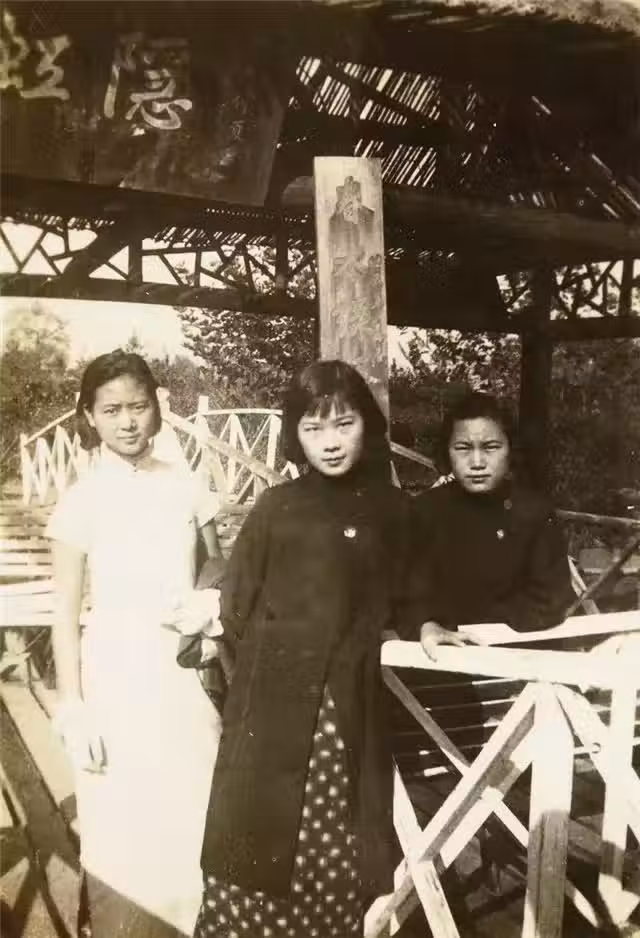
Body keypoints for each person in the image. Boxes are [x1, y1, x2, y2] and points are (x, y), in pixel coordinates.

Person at [194, 360, 423, 938]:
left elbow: (414, 594)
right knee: (258, 833)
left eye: (344, 424)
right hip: (270, 703)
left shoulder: (395, 510)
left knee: (335, 834)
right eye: (314, 428)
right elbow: (235, 602)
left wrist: (425, 625)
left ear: (367, 425)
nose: (331, 442)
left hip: (346, 704)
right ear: (295, 434)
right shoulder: (277, 507)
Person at [46, 350, 223, 938]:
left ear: (157, 409)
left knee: (191, 811)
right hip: (115, 676)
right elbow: (65, 612)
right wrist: (72, 705)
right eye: (112, 410)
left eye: (139, 407)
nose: (127, 421)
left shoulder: (188, 486)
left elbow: (217, 571)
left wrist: (209, 611)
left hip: (183, 672)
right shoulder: (81, 499)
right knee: (121, 823)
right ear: (89, 416)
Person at [413, 390, 574, 660]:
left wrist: (467, 622)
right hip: (442, 660)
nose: (477, 463)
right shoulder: (423, 512)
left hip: (518, 658)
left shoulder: (534, 513)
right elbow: (408, 593)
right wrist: (426, 623)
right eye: (463, 448)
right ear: (447, 452)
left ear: (510, 450)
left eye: (490, 447)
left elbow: (551, 600)